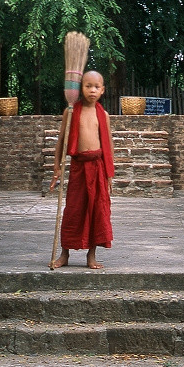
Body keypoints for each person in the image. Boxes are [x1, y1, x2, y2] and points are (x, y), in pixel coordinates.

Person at [48, 70, 114, 270]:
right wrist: (56, 167)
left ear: (102, 90)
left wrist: (110, 174)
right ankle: (64, 254)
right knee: (73, 211)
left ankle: (91, 255)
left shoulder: (103, 115)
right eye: (88, 86)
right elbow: (61, 140)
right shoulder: (70, 111)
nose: (92, 90)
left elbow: (108, 144)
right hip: (78, 167)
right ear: (80, 88)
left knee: (97, 212)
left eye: (96, 87)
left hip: (98, 167)